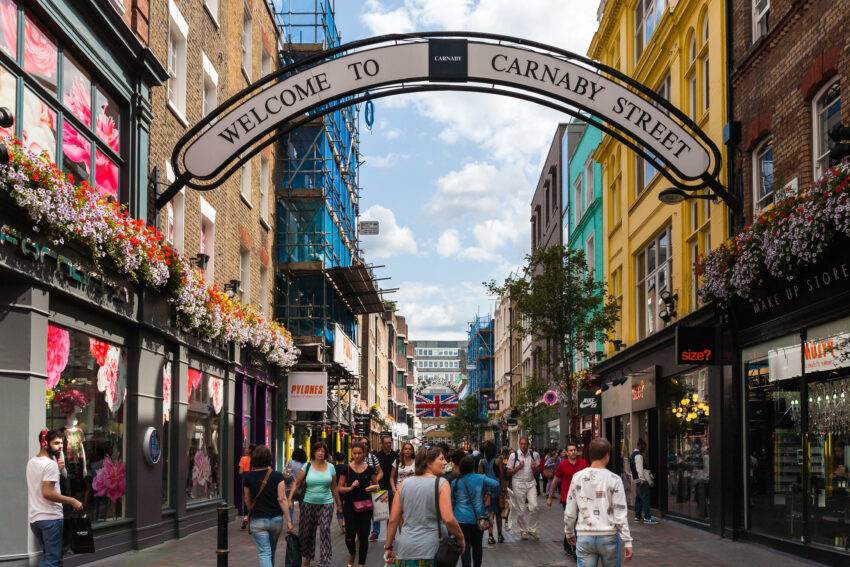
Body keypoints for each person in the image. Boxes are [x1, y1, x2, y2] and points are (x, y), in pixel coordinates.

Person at [383, 447, 466, 567]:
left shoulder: (403, 484)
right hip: (432, 552)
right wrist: (461, 538)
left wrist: (388, 547)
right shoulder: (442, 484)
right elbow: (448, 518)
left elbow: (393, 520)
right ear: (429, 463)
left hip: (405, 551)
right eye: (441, 459)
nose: (445, 463)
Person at [565, 438, 633, 566]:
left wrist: (569, 531)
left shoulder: (577, 477)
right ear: (607, 456)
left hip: (585, 535)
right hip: (609, 535)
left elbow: (570, 511)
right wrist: (627, 541)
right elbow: (620, 514)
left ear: (590, 455)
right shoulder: (615, 479)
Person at [28, 429, 83, 567]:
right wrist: (72, 500)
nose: (60, 446)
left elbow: (41, 486)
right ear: (44, 443)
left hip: (35, 519)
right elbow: (48, 493)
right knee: (53, 560)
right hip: (50, 519)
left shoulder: (32, 462)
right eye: (56, 443)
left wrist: (56, 472)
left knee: (49, 556)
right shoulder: (49, 464)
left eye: (61, 443)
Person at [288, 441, 342, 567]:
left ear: (325, 454)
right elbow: (296, 483)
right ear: (313, 452)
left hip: (326, 503)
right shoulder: (307, 466)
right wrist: (289, 499)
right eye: (318, 450)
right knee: (307, 533)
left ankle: (325, 561)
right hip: (308, 503)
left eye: (323, 451)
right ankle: (307, 558)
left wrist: (339, 504)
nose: (320, 453)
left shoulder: (331, 467)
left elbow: (334, 487)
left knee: (325, 530)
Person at [243, 445, 291, 567]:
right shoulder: (277, 476)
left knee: (264, 552)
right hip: (276, 520)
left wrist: (250, 510)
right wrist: (289, 521)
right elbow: (282, 499)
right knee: (271, 550)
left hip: (258, 520)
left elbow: (247, 500)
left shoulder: (248, 477)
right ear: (269, 458)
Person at [452, 456, 501, 567]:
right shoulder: (480, 478)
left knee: (464, 546)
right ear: (472, 467)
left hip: (461, 519)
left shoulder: (455, 482)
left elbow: (452, 501)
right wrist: (488, 493)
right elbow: (496, 484)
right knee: (477, 546)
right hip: (478, 519)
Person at [338, 442, 379, 567]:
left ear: (364, 454)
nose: (357, 456)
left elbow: (377, 486)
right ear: (352, 453)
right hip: (350, 506)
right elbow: (339, 488)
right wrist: (350, 488)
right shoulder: (346, 468)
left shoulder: (369, 469)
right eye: (354, 453)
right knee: (349, 537)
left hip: (365, 507)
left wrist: (371, 488)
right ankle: (352, 553)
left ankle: (361, 563)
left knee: (363, 536)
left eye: (359, 453)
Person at [548, 441, 589, 556]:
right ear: (566, 452)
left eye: (575, 450)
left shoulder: (583, 463)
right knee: (572, 521)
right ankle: (575, 548)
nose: (573, 452)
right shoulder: (562, 465)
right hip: (567, 498)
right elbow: (555, 480)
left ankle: (569, 543)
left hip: (582, 498)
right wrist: (550, 497)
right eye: (571, 450)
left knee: (578, 522)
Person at [506, 437, 540, 540]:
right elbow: (508, 472)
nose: (523, 446)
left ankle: (532, 529)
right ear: (519, 445)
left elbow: (538, 473)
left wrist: (534, 467)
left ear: (528, 445)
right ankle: (523, 531)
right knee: (520, 510)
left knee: (534, 506)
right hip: (518, 484)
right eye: (521, 444)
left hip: (531, 484)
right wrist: (518, 467)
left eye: (525, 444)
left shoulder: (534, 455)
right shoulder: (513, 456)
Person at [370, 435, 398, 541]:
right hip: (381, 486)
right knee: (378, 511)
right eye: (386, 443)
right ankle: (375, 532)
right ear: (382, 444)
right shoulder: (377, 456)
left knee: (391, 511)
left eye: (389, 443)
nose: (388, 445)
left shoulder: (395, 455)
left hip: (392, 486)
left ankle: (390, 532)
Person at [477, 442, 504, 544]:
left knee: (490, 513)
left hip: (487, 491)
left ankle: (490, 536)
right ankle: (500, 535)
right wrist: (504, 490)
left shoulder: (482, 462)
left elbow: (479, 476)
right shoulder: (498, 461)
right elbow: (501, 476)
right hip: (497, 489)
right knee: (499, 514)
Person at [629, 439, 658, 524]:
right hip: (641, 480)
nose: (645, 448)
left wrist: (637, 480)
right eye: (644, 447)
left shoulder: (632, 455)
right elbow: (639, 469)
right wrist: (642, 480)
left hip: (636, 480)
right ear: (640, 445)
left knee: (638, 498)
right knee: (645, 498)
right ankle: (647, 517)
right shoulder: (638, 455)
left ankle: (638, 516)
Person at [285, 449, 308, 523]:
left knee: (290, 506)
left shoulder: (290, 462)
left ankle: (290, 522)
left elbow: (284, 472)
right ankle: (303, 521)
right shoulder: (306, 464)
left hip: (290, 487)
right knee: (302, 506)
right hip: (301, 488)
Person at [240, 443, 257, 529]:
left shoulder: (243, 459)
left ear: (250, 450)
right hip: (254, 479)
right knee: (254, 498)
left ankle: (246, 516)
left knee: (246, 498)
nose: (245, 449)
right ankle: (252, 517)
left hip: (246, 479)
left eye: (247, 448)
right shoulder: (256, 460)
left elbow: (240, 472)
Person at [334, 452, 348, 536]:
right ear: (344, 459)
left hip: (336, 491)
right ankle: (346, 523)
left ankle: (341, 528)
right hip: (345, 489)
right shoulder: (347, 467)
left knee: (339, 508)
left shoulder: (334, 468)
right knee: (346, 507)